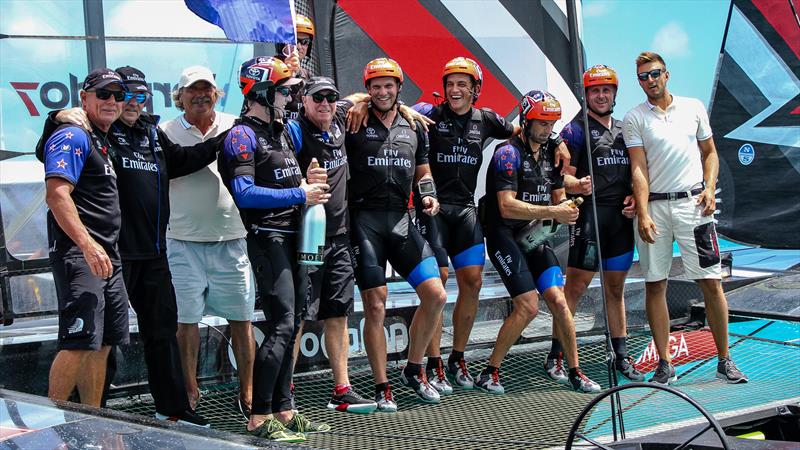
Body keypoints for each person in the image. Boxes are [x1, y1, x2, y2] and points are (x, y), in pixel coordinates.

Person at [36, 67, 219, 426]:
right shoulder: (88, 129)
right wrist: (54, 116)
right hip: (102, 250)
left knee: (130, 336)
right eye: (118, 95)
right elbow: (50, 159)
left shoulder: (149, 133)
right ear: (87, 98)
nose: (124, 102)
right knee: (86, 339)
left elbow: (182, 161)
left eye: (133, 96)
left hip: (145, 253)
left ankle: (151, 411)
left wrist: (225, 140)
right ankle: (54, 423)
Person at [218, 56, 331, 442]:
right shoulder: (240, 136)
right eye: (284, 90)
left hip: (295, 236)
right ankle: (258, 415)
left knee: (295, 321)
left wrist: (307, 180)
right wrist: (300, 191)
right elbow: (244, 193)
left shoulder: (281, 130)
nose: (290, 96)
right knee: (282, 324)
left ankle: (285, 409)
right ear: (262, 92)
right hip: (268, 238)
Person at [623, 51, 748, 385]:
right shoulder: (634, 117)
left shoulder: (693, 107)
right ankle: (664, 363)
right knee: (655, 284)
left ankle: (725, 360)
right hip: (656, 210)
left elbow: (710, 153)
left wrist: (709, 188)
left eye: (655, 74)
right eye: (643, 77)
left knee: (711, 282)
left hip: (694, 207)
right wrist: (644, 211)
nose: (650, 81)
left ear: (667, 74)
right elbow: (639, 167)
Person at [479, 90, 601, 394]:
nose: (548, 129)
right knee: (528, 307)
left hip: (535, 233)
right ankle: (490, 371)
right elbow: (506, 206)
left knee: (560, 301)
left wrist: (568, 209)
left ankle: (574, 370)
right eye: (542, 123)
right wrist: (553, 211)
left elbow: (559, 197)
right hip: (503, 234)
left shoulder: (553, 154)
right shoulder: (507, 153)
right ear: (526, 120)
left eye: (552, 124)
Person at [408, 57, 516, 393]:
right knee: (438, 283)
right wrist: (403, 108)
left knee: (472, 282)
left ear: (475, 89)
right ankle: (434, 361)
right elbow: (394, 109)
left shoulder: (486, 120)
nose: (454, 90)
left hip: (466, 210)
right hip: (433, 210)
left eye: (462, 84)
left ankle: (457, 358)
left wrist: (558, 147)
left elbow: (522, 130)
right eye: (450, 84)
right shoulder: (429, 112)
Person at [345, 58, 448, 410]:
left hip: (401, 220)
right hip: (364, 221)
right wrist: (359, 102)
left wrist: (428, 194)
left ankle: (413, 368)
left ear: (398, 87)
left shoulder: (414, 125)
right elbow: (337, 103)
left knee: (435, 294)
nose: (382, 92)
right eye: (375, 86)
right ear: (368, 89)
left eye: (389, 85)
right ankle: (381, 385)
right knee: (375, 304)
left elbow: (423, 171)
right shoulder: (354, 117)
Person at [160, 66, 255, 415]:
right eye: (192, 90)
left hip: (232, 238)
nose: (200, 95)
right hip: (181, 242)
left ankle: (248, 394)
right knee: (186, 323)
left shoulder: (237, 127)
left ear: (217, 94)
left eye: (207, 89)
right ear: (179, 96)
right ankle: (190, 392)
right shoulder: (164, 131)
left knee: (242, 320)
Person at [286, 77, 378, 414]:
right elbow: (276, 171)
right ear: (304, 102)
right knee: (296, 316)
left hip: (339, 236)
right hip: (306, 236)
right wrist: (302, 181)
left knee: (337, 312)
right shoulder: (294, 132)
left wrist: (407, 112)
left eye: (330, 97)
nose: (325, 103)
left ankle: (342, 390)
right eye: (317, 98)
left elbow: (364, 97)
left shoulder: (340, 115)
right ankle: (286, 391)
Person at [547, 65, 644, 384]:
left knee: (615, 290)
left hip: (619, 221)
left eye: (606, 90)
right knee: (574, 290)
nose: (600, 96)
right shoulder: (575, 130)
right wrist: (577, 185)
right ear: (585, 94)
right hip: (589, 220)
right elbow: (560, 177)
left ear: (615, 93)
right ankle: (556, 355)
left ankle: (621, 355)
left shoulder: (624, 129)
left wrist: (633, 197)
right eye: (594, 91)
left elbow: (636, 172)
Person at [42, 69, 129, 407]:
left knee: (103, 342)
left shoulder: (101, 139)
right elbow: (56, 195)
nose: (112, 101)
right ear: (84, 98)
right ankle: (48, 425)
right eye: (103, 94)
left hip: (108, 255)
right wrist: (87, 244)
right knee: (79, 340)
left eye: (118, 95)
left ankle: (94, 420)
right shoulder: (73, 135)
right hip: (82, 254)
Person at [275, 14, 316, 121]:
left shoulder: (308, 76)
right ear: (281, 43)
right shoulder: (269, 67)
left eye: (304, 42)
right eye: (294, 41)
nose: (298, 46)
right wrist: (288, 74)